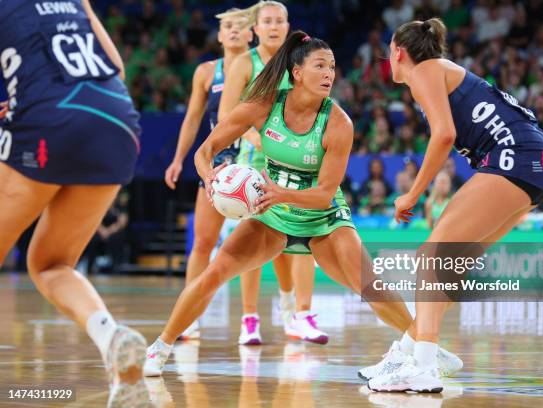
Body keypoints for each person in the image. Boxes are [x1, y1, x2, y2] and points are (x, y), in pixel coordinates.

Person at [143, 31, 462, 379]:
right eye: (320, 66)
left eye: (333, 67)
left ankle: (424, 346)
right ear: (297, 72)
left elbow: (325, 193)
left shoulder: (339, 123)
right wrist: (210, 178)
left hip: (322, 217)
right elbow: (206, 150)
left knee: (372, 286)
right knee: (213, 275)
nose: (329, 74)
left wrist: (280, 193)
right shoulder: (265, 104)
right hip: (273, 212)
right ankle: (160, 347)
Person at [366, 18, 543, 393]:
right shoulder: (440, 70)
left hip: (515, 157)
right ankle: (413, 352)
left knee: (431, 257)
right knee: (452, 266)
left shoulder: (424, 70)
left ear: (398, 52)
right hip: (536, 163)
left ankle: (422, 365)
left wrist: (413, 193)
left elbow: (444, 135)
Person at [0, 1, 148, 406]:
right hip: (117, 121)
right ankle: (111, 336)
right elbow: (115, 68)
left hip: (51, 116)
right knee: (50, 263)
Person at [217, 1, 325, 345]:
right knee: (256, 243)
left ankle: (301, 314)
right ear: (256, 28)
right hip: (255, 162)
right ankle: (250, 319)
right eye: (267, 21)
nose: (274, 26)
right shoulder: (244, 63)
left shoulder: (300, 60)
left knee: (301, 236)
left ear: (288, 24)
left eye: (280, 20)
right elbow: (227, 116)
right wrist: (258, 137)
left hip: (297, 159)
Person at [163, 8, 253, 341]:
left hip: (253, 162)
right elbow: (191, 119)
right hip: (217, 164)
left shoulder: (261, 67)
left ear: (250, 35)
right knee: (202, 242)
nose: (232, 31)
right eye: (227, 26)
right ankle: (189, 316)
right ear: (218, 35)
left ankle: (249, 319)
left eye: (240, 27)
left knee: (251, 245)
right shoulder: (205, 72)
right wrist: (178, 159)